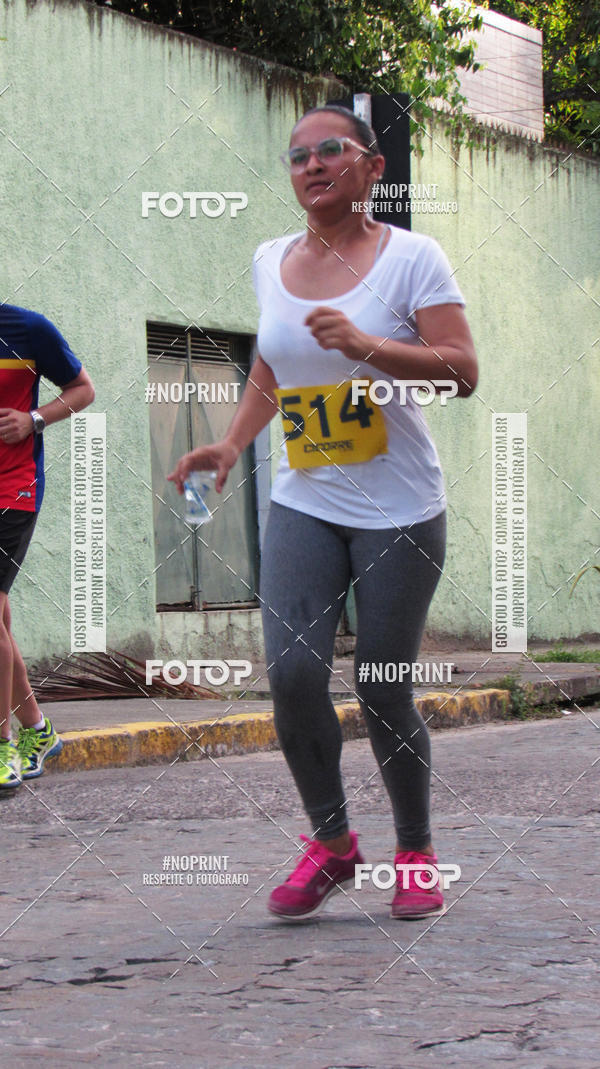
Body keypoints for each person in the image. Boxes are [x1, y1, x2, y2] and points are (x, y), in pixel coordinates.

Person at [169, 105, 478, 920]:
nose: (311, 164)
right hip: (303, 496)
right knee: (294, 674)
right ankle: (333, 844)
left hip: (401, 507)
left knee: (381, 684)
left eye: (330, 150)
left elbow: (461, 371)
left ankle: (415, 850)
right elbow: (273, 364)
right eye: (297, 155)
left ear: (372, 168)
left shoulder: (413, 259)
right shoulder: (270, 260)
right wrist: (231, 445)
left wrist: (368, 345)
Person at [0, 304, 95, 790]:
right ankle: (37, 730)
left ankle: (3, 747)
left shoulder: (26, 329)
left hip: (11, 491)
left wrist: (32, 419)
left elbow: (83, 390)